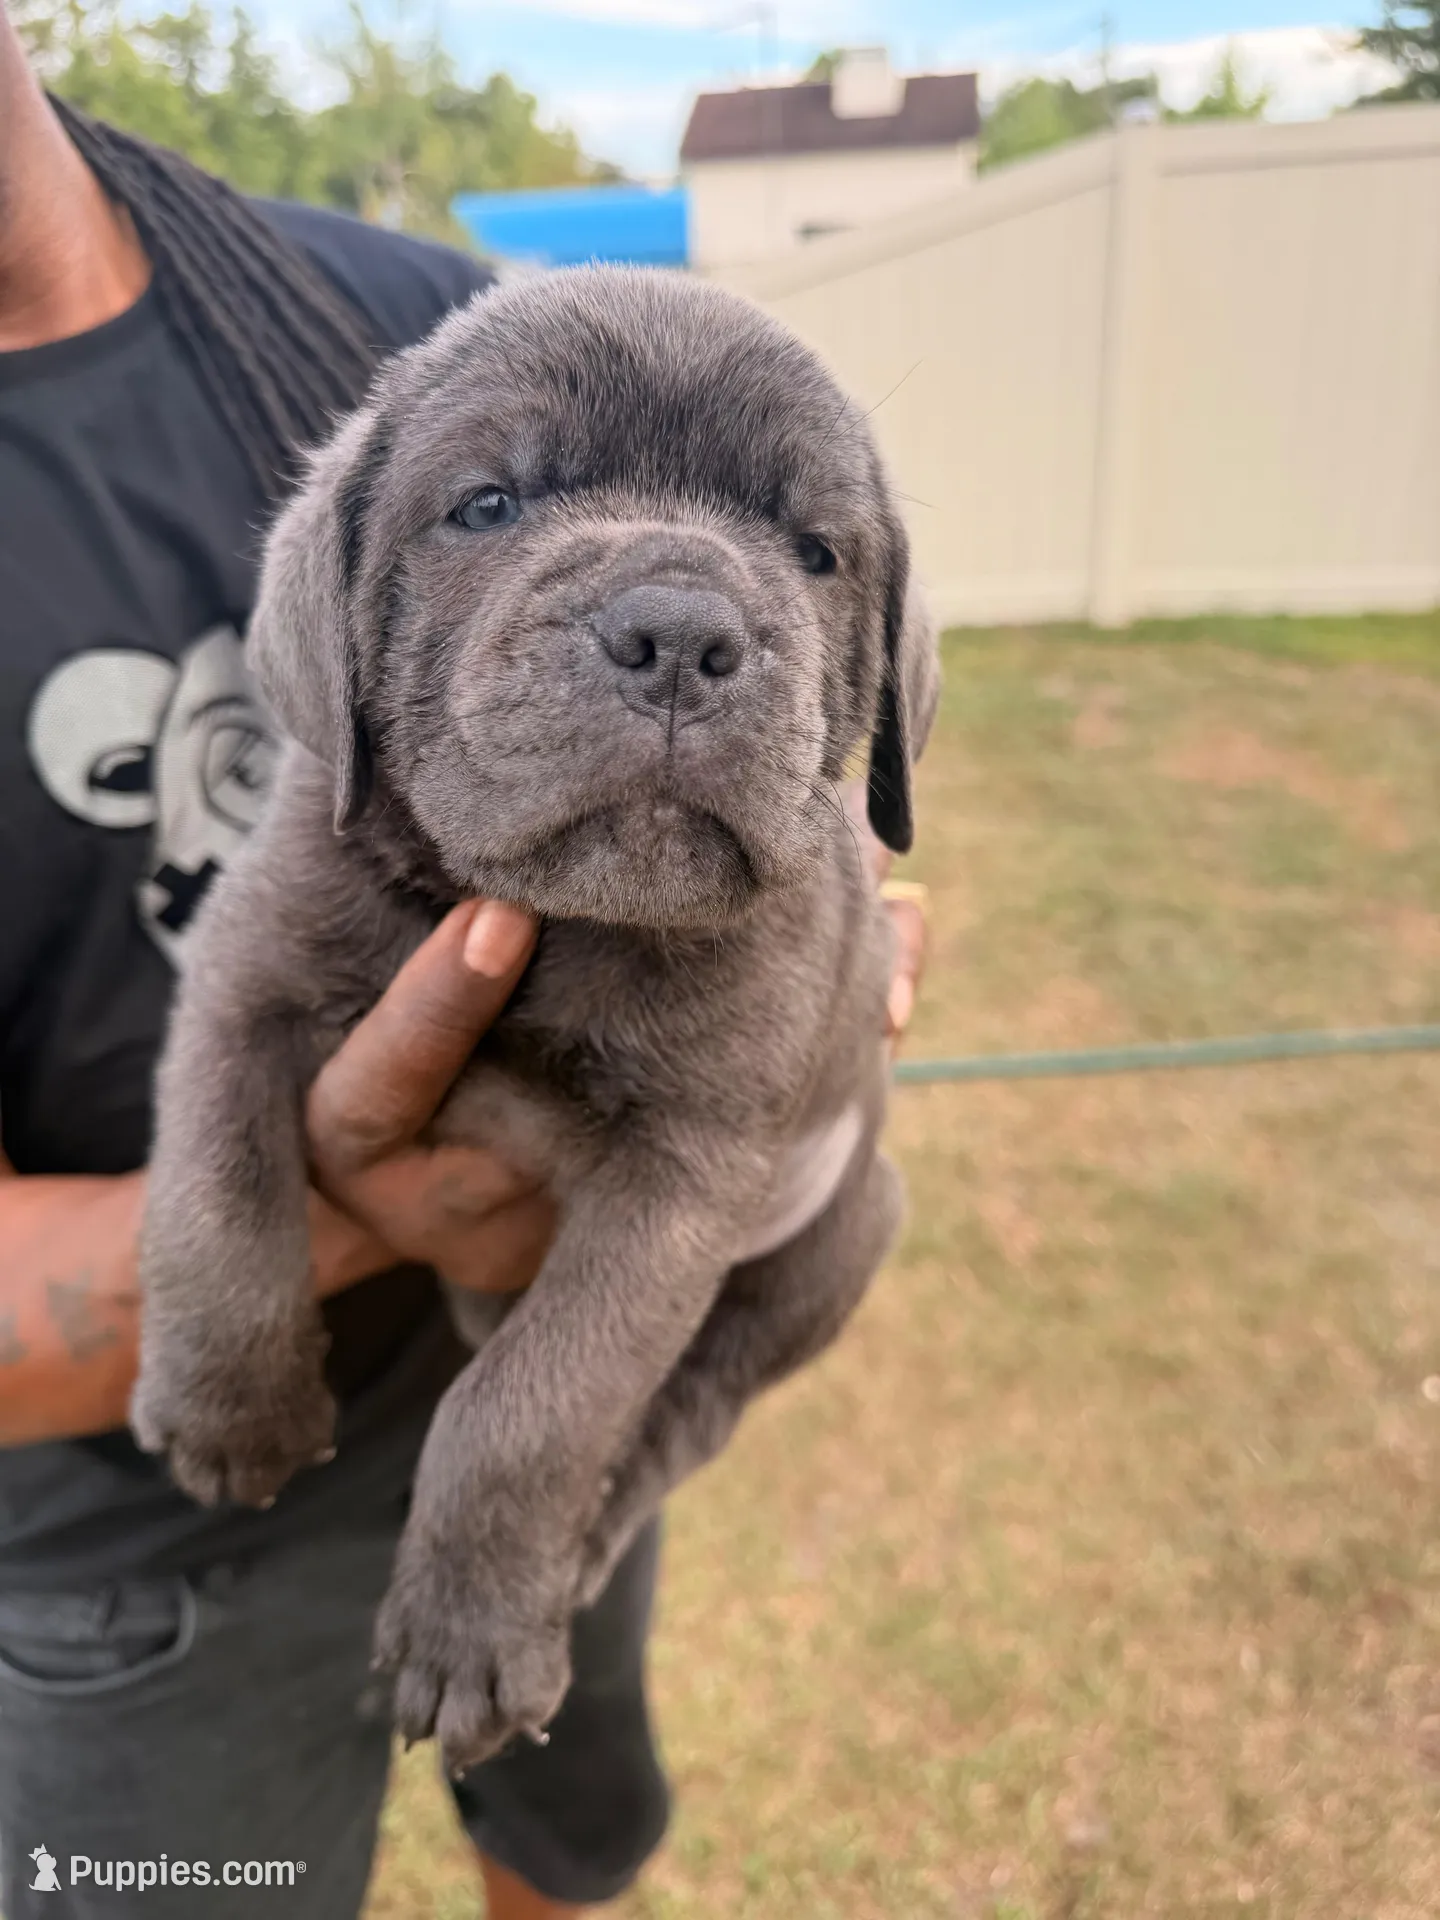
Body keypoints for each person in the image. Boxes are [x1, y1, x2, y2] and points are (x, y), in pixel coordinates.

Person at [0, 22, 926, 1919]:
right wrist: (290, 1247)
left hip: (586, 1378)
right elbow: (245, 1012)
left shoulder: (404, 308)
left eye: (800, 548)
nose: (678, 624)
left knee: (569, 1810)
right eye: (496, 508)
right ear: (324, 618)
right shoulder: (324, 832)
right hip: (136, 1530)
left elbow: (725, 1137)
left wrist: (540, 1494)